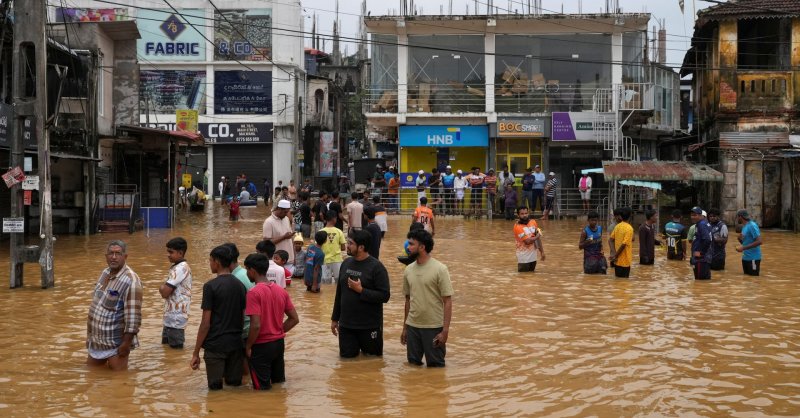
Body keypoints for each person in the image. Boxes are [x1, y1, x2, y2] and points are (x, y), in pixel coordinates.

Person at [190, 245, 247, 390]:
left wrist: (196, 352)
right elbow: (242, 317)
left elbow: (205, 323)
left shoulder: (210, 286)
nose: (209, 264)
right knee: (235, 388)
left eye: (210, 260)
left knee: (215, 390)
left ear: (217, 262)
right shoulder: (240, 285)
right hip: (236, 344)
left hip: (216, 346)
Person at [243, 253, 299, 391]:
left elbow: (255, 325)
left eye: (246, 270)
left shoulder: (253, 293)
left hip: (261, 346)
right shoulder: (281, 291)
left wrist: (248, 346)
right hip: (278, 344)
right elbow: (294, 319)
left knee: (261, 389)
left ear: (252, 271)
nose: (246, 273)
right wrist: (278, 330)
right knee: (278, 384)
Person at [331, 230, 391, 358]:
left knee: (372, 364)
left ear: (361, 247)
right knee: (347, 364)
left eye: (351, 243)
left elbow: (385, 296)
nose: (347, 245)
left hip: (369, 326)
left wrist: (361, 291)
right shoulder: (345, 263)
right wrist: (335, 318)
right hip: (346, 326)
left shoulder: (377, 267)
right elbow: (339, 292)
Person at [87, 240, 143, 371]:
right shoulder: (105, 273)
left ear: (125, 256)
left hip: (115, 344)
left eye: (118, 253)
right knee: (91, 376)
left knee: (120, 381)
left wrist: (126, 344)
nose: (113, 257)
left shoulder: (131, 281)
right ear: (105, 256)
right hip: (97, 341)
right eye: (110, 253)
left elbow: (133, 318)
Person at [401, 229, 454, 367]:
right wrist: (405, 328)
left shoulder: (440, 269)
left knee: (436, 368)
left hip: (433, 327)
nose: (408, 247)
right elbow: (407, 300)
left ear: (422, 247)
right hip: (412, 326)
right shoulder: (408, 270)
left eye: (412, 244)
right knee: (412, 367)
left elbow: (447, 301)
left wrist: (445, 331)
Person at [160, 237, 192, 349]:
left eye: (171, 252)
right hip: (171, 317)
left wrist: (161, 287)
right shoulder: (177, 267)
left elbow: (164, 292)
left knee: (175, 352)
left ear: (180, 253)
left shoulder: (180, 269)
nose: (168, 255)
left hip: (176, 318)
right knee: (168, 351)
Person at [262, 199, 295, 266]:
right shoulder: (268, 222)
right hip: (277, 262)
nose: (286, 214)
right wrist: (284, 237)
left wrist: (294, 257)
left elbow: (291, 239)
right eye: (285, 212)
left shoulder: (286, 219)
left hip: (290, 259)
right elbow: (266, 243)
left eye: (288, 212)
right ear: (279, 209)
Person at [513, 207, 545, 272]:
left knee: (531, 276)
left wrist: (542, 252)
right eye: (522, 214)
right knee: (523, 277)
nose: (524, 215)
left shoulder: (533, 222)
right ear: (518, 215)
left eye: (526, 213)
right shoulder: (517, 227)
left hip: (533, 256)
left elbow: (538, 239)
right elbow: (527, 241)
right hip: (523, 257)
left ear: (528, 213)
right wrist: (537, 235)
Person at [321, 210, 347, 284]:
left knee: (326, 284)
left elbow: (318, 248)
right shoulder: (339, 231)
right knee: (338, 284)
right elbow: (343, 248)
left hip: (325, 261)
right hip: (337, 260)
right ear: (334, 218)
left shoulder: (321, 232)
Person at [736, 209, 763, 276]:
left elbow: (759, 241)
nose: (737, 219)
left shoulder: (752, 225)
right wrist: (739, 239)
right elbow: (745, 243)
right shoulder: (744, 226)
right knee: (747, 280)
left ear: (740, 217)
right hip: (745, 259)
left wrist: (743, 248)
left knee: (754, 281)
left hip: (754, 259)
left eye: (737, 217)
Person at [608, 207, 634, 278]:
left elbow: (610, 240)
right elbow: (624, 244)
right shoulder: (629, 228)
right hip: (625, 261)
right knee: (624, 283)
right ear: (630, 216)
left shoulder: (617, 226)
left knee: (618, 281)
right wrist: (615, 255)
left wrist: (614, 254)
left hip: (617, 261)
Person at [690, 207, 712, 280]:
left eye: (695, 215)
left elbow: (708, 240)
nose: (692, 217)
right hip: (704, 258)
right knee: (703, 282)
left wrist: (701, 252)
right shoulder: (704, 223)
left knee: (700, 282)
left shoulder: (701, 224)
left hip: (701, 259)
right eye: (692, 215)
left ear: (700, 215)